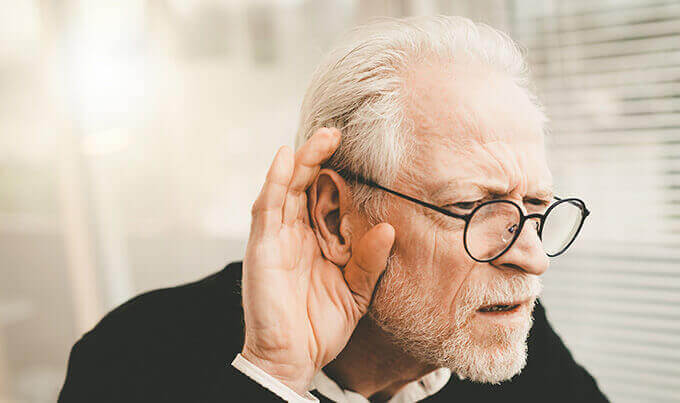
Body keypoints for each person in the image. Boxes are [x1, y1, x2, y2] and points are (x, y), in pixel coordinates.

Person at [58, 16, 609, 402]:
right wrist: (271, 378)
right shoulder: (133, 358)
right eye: (471, 206)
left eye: (536, 204)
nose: (533, 258)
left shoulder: (507, 341)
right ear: (334, 219)